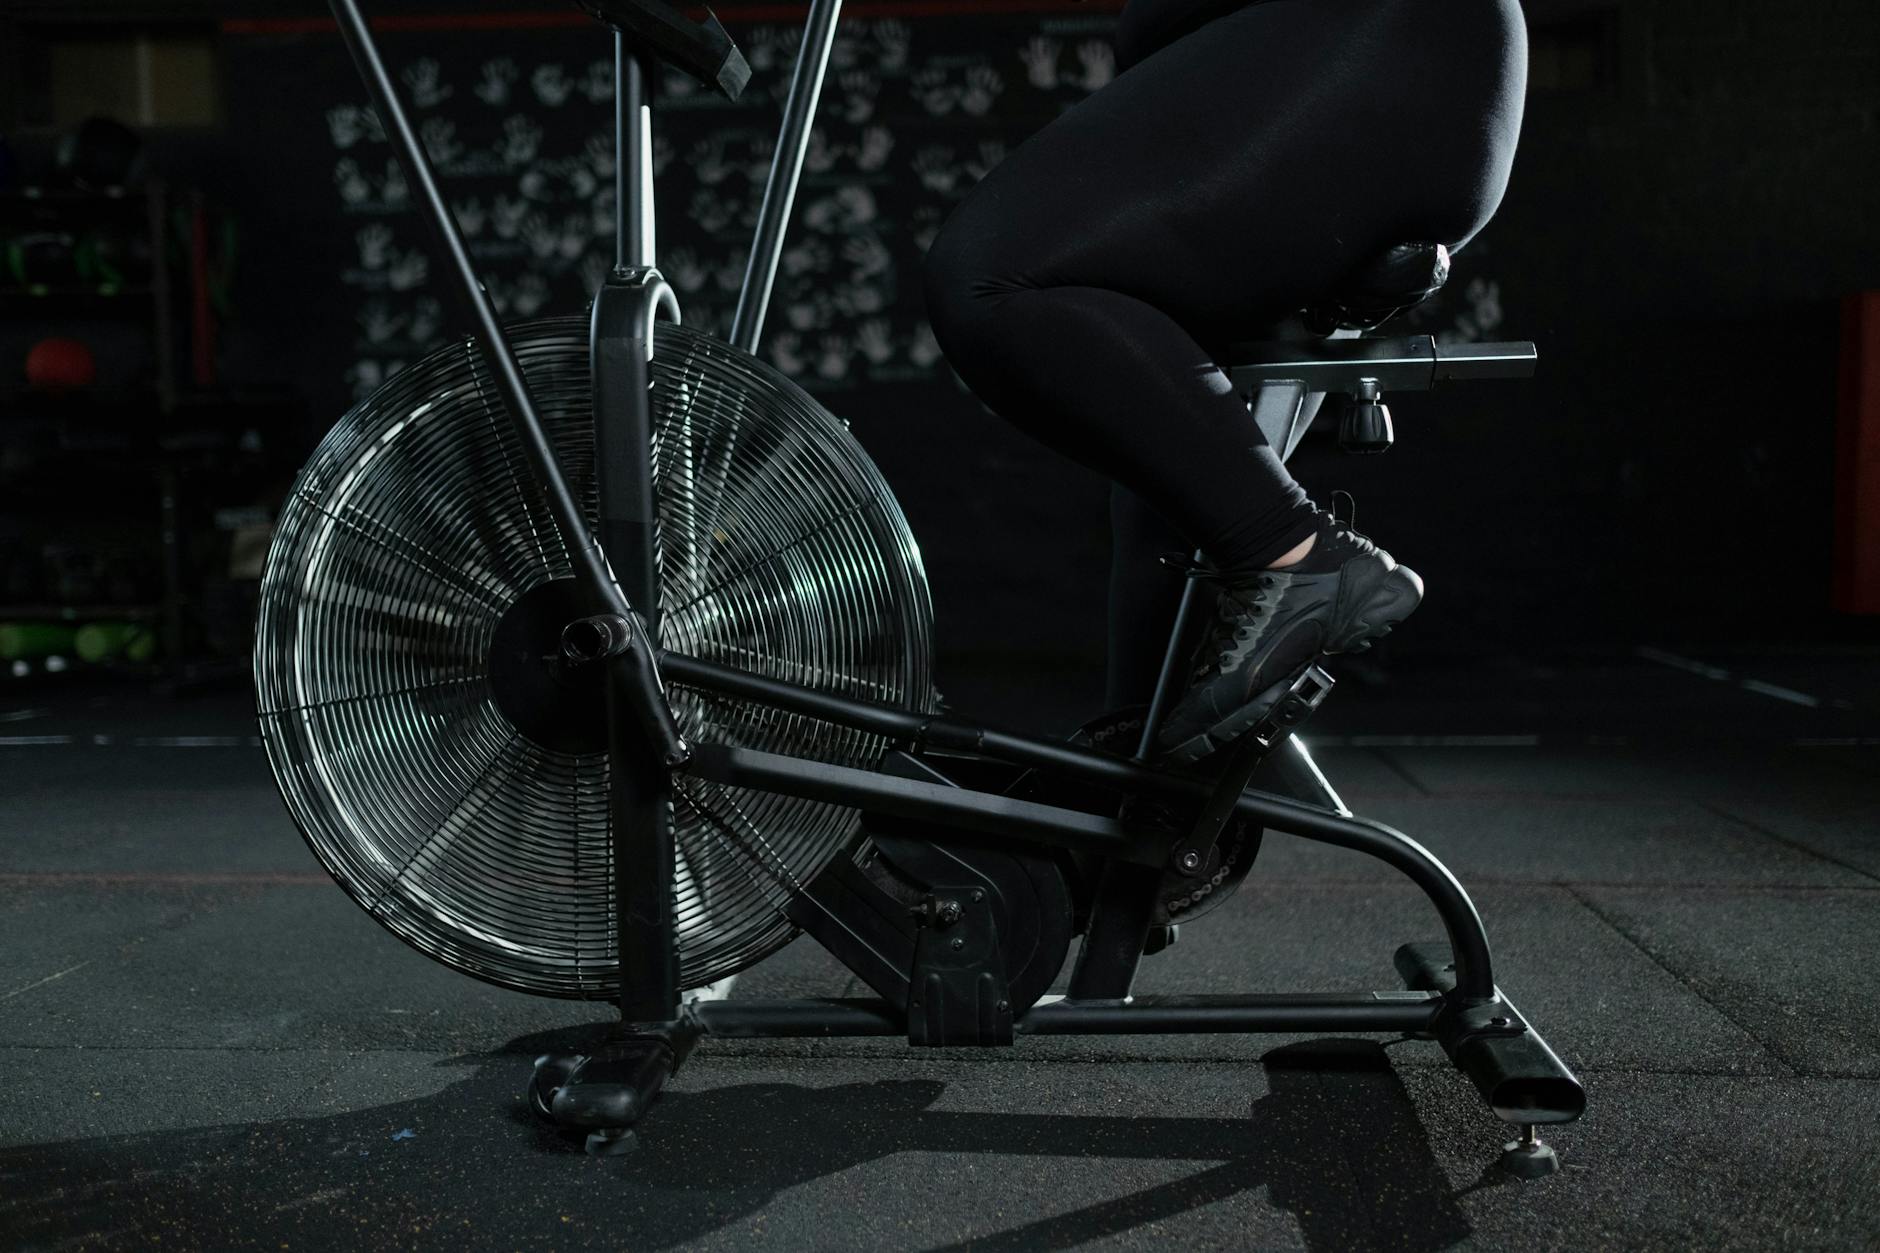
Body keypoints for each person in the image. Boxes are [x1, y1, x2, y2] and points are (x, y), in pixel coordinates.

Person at [920, 0, 1528, 761]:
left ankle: (1299, 557)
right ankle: (1136, 813)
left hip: (1365, 58)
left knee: (989, 276)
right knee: (1169, 458)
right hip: (1375, 80)